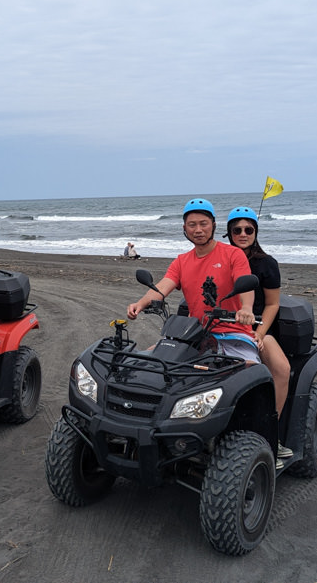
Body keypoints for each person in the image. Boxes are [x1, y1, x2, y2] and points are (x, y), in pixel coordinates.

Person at [126, 198, 259, 363]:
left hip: (233, 334)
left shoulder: (233, 254)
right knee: (150, 362)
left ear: (213, 225)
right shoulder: (182, 261)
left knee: (247, 370)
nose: (198, 230)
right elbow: (162, 287)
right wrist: (140, 304)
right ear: (184, 228)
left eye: (204, 224)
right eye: (192, 225)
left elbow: (244, 283)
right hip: (194, 334)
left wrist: (246, 309)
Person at [226, 206, 294, 468]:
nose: (243, 234)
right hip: (221, 326)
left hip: (257, 326)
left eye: (248, 229)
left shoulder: (266, 264)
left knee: (281, 369)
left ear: (256, 231)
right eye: (237, 230)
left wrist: (260, 333)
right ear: (229, 233)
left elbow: (272, 304)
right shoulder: (219, 257)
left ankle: (269, 435)